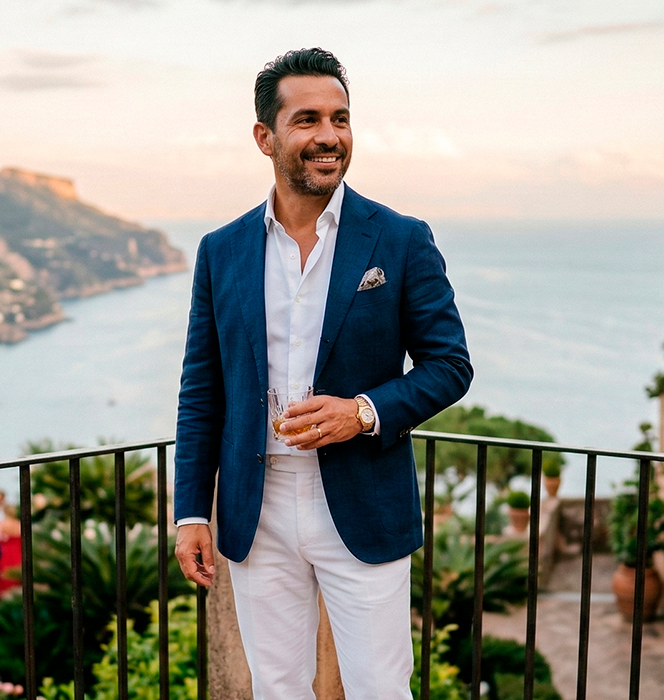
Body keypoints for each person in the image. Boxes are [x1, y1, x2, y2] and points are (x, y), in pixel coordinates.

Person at [173, 48, 473, 700]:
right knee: (278, 688)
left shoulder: (399, 239)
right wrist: (191, 509)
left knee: (380, 689)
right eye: (307, 119)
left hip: (364, 499)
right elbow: (203, 388)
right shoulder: (220, 251)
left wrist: (362, 410)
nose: (329, 136)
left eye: (340, 118)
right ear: (265, 137)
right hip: (258, 508)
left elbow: (450, 365)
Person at [0, 505, 22, 595]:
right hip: (18, 550)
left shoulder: (2, 524)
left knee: (4, 574)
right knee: (17, 573)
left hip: (4, 551)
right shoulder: (19, 523)